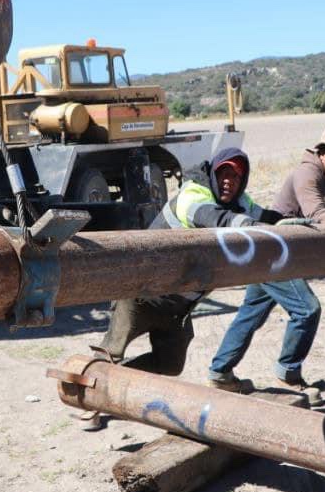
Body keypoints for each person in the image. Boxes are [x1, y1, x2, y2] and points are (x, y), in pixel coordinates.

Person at [207, 120, 325, 400]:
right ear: (322, 151)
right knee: (307, 309)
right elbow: (318, 214)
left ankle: (220, 372)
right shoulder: (307, 173)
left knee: (251, 312)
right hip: (274, 253)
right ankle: (288, 373)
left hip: (284, 256)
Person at [90, 148, 281, 408]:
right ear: (213, 174)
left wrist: (292, 222)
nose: (229, 181)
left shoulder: (239, 202)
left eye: (236, 176)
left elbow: (266, 216)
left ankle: (112, 388)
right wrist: (252, 228)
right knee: (110, 353)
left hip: (177, 307)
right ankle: (90, 397)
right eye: (224, 173)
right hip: (141, 295)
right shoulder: (193, 195)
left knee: (170, 365)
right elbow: (212, 218)